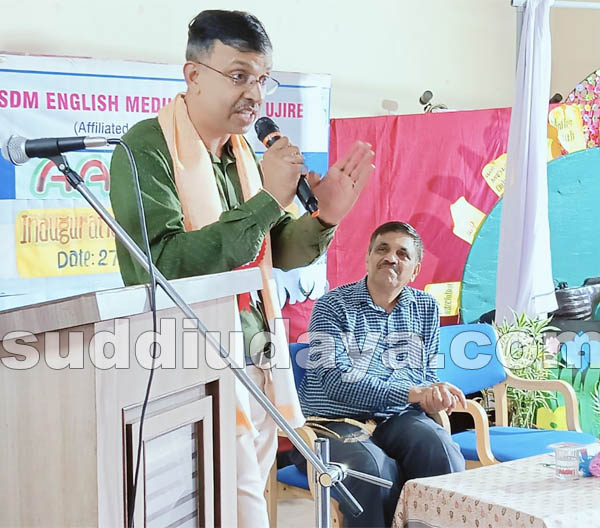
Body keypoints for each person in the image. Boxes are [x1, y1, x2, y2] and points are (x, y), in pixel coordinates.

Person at [108, 9, 374, 528]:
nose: (254, 93)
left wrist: (325, 217)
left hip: (256, 355)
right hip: (190, 363)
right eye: (238, 75)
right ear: (193, 75)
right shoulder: (144, 148)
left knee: (242, 502)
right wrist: (270, 199)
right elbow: (164, 264)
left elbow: (271, 250)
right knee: (237, 508)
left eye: (262, 79)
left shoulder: (243, 155)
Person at [298, 221, 466, 527]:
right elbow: (335, 381)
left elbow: (423, 374)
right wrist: (413, 393)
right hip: (332, 421)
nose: (391, 258)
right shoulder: (332, 307)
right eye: (383, 249)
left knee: (443, 452)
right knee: (374, 473)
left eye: (403, 254)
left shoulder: (425, 307)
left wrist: (433, 393)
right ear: (368, 259)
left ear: (415, 270)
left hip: (397, 416)